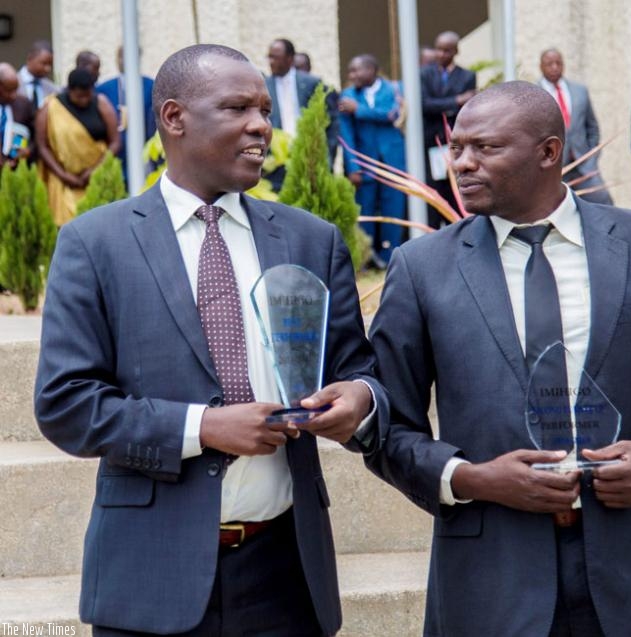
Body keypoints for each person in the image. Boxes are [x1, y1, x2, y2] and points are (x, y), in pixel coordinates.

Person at [366, 81, 631, 636]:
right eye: (457, 148)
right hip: (492, 583)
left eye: (485, 148)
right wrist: (473, 479)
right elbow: (387, 426)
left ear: (549, 152)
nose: (462, 163)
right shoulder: (420, 268)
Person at [34, 43, 388, 637]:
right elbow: (66, 404)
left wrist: (360, 400)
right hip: (150, 574)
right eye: (237, 108)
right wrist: (203, 428)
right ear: (174, 118)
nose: (261, 126)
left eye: (265, 111)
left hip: (287, 575)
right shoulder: (95, 244)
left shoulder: (311, 241)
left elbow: (360, 370)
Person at [339, 54, 406, 269]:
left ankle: (391, 256)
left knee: (393, 208)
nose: (351, 76)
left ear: (371, 70)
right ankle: (366, 257)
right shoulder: (347, 95)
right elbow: (346, 135)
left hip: (392, 161)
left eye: (356, 70)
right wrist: (353, 167)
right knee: (364, 211)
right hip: (364, 163)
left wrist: (359, 110)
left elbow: (392, 114)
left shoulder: (395, 89)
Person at [36, 67, 120, 225]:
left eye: (88, 95)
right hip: (63, 181)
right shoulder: (51, 107)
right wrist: (63, 175)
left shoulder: (101, 103)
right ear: (70, 90)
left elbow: (115, 142)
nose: (85, 100)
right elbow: (42, 146)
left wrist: (95, 170)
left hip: (97, 177)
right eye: (80, 96)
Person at [539, 48, 613, 205]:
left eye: (558, 63)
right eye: (549, 64)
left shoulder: (580, 91)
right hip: (554, 169)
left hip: (584, 165)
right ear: (541, 67)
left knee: (603, 201)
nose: (554, 67)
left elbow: (592, 128)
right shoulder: (534, 94)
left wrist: (592, 158)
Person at [264, 38, 338, 190]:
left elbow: (331, 120)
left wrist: (327, 153)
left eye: (275, 57)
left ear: (289, 59)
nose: (271, 62)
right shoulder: (264, 85)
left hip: (309, 157)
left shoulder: (311, 83)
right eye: (269, 57)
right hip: (277, 164)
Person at [420, 30, 476, 228]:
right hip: (430, 143)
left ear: (455, 51)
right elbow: (425, 105)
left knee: (455, 192)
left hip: (455, 143)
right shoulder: (424, 74)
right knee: (433, 195)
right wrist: (456, 100)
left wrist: (444, 104)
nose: (441, 54)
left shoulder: (467, 76)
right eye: (438, 50)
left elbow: (467, 108)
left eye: (446, 51)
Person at [97, 46, 158, 189]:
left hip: (143, 156)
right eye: (120, 57)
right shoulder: (104, 89)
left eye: (127, 56)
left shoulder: (151, 86)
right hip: (114, 155)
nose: (122, 61)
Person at [0, 63, 36, 168]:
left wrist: (29, 149)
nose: (14, 95)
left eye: (16, 90)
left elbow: (36, 135)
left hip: (17, 168)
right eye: (9, 91)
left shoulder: (23, 104)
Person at [17, 40, 57, 109]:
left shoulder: (52, 89)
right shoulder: (13, 84)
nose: (48, 69)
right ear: (30, 59)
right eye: (44, 63)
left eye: (50, 64)